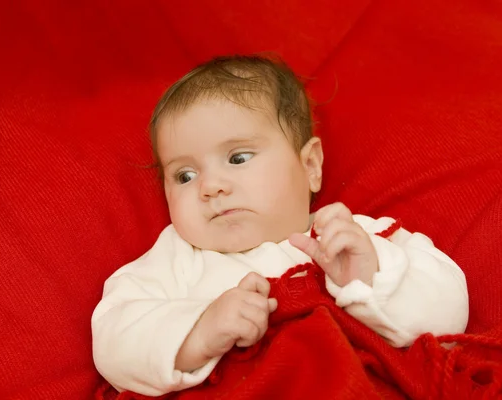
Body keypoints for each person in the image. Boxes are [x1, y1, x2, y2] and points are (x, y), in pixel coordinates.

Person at [91, 54, 469, 396]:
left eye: (238, 158)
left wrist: (370, 278)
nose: (210, 186)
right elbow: (112, 338)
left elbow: (448, 317)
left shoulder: (354, 238)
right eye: (185, 175)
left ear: (310, 166)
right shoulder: (176, 257)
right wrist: (197, 334)